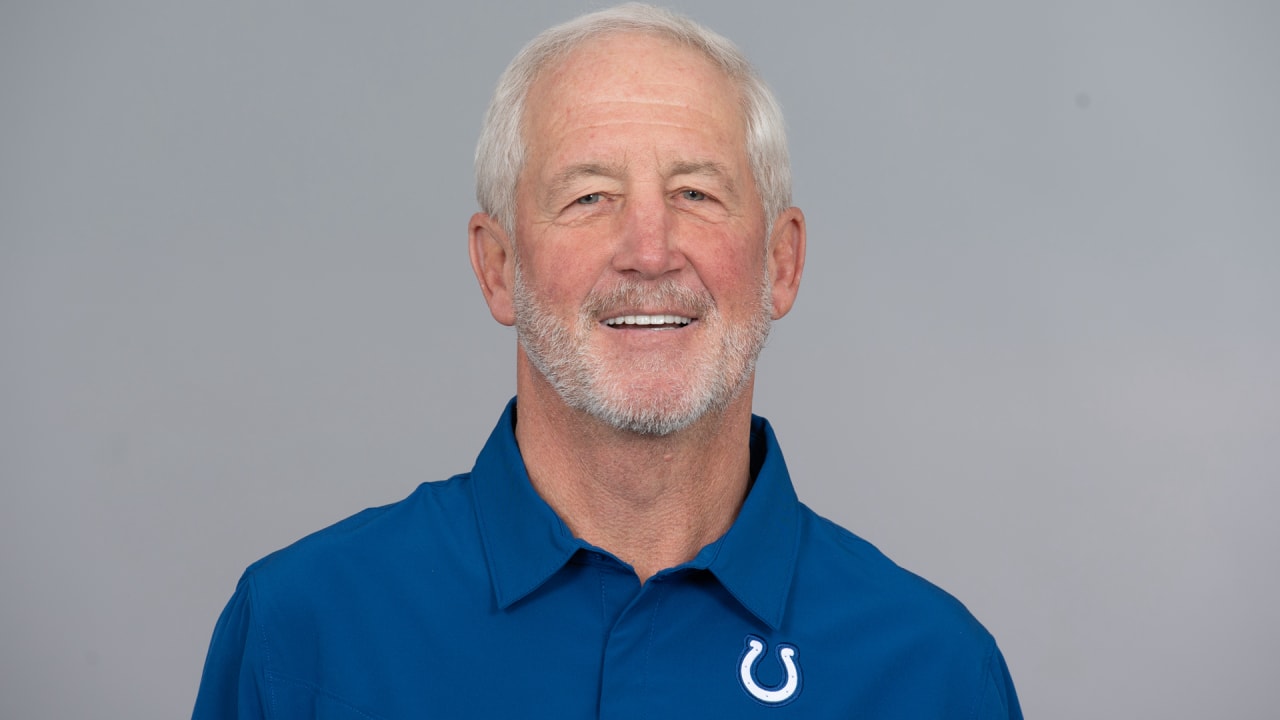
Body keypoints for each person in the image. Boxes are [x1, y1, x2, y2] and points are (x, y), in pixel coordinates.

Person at [193, 4, 1022, 718]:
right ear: (497, 267)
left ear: (782, 263)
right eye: (589, 197)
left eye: (697, 193)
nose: (649, 250)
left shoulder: (934, 673)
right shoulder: (304, 634)